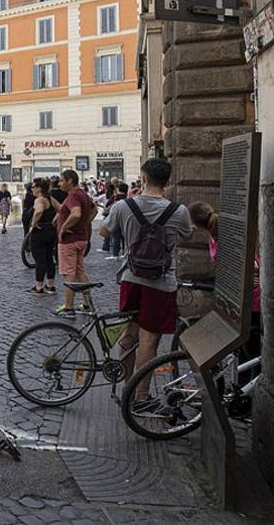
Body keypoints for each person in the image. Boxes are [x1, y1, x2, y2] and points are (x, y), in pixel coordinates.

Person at [98, 158, 194, 412]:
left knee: (129, 334)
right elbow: (188, 234)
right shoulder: (179, 211)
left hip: (131, 277)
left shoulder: (123, 206)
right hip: (161, 282)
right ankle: (140, 397)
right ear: (168, 181)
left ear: (143, 178)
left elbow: (103, 233)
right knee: (149, 339)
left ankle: (127, 387)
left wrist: (128, 203)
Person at [189, 201, 262, 360]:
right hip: (241, 296)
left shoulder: (221, 235)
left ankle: (250, 382)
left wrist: (251, 275)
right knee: (245, 348)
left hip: (250, 298)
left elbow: (252, 264)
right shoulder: (215, 233)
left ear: (196, 223)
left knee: (249, 350)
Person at [53, 170, 97, 316]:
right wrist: (84, 225)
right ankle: (86, 304)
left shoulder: (73, 196)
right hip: (81, 238)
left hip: (69, 241)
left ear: (70, 181)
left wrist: (64, 227)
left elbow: (76, 213)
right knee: (79, 271)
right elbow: (94, 210)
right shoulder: (83, 194)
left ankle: (69, 307)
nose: (59, 184)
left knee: (68, 273)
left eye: (61, 180)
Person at [26, 178, 58, 295]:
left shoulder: (39, 200)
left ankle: (39, 286)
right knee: (49, 257)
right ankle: (50, 285)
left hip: (39, 232)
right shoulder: (50, 198)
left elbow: (39, 211)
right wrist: (54, 220)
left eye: (33, 187)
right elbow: (61, 209)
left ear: (39, 188)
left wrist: (33, 224)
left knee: (39, 259)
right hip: (50, 230)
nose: (32, 189)